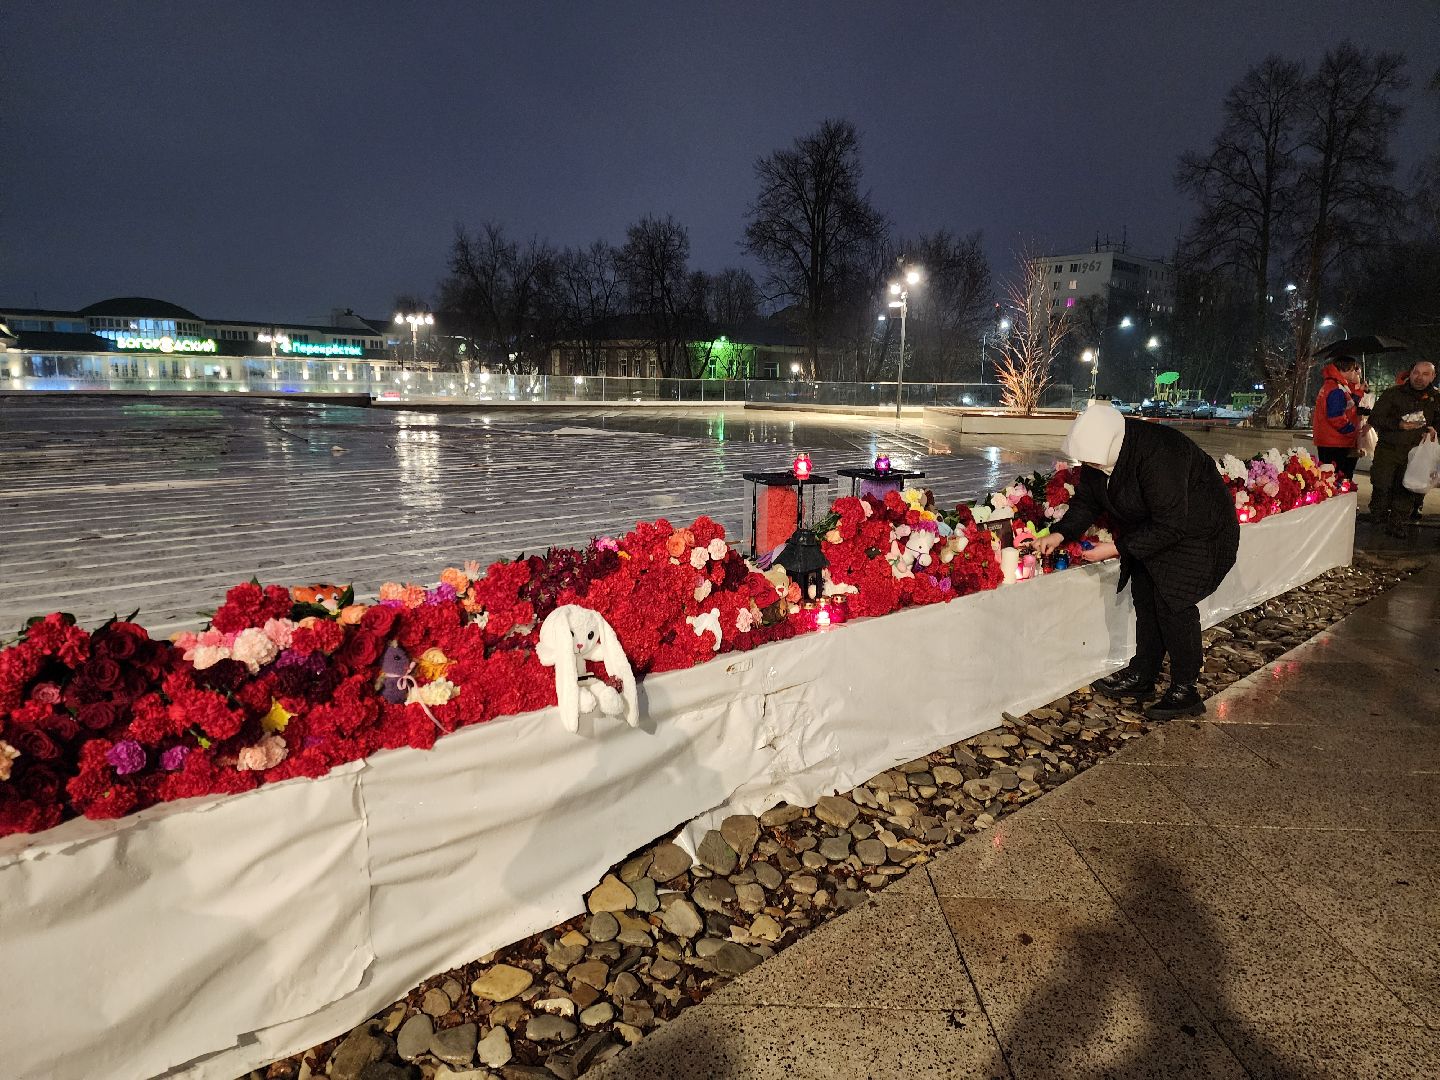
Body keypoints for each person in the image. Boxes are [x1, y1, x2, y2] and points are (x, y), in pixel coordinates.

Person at [1035, 403, 1240, 721]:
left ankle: (1186, 689)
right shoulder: (1100, 453)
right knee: (1145, 594)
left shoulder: (1160, 452)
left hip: (1199, 531)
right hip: (1152, 528)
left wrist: (1115, 548)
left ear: (1114, 444)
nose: (1089, 465)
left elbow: (1172, 523)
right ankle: (1143, 674)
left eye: (1092, 460)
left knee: (1173, 601)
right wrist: (1059, 534)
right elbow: (1088, 500)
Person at [1366, 360, 1438, 536]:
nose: (1419, 378)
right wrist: (1398, 424)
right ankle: (1378, 517)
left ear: (1433, 377)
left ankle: (1397, 523)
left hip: (1416, 453)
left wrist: (1434, 429)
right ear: (1410, 373)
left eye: (1425, 374)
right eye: (1416, 372)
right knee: (1382, 484)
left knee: (1406, 489)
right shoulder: (1393, 393)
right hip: (1389, 449)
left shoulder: (1436, 399)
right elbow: (1375, 418)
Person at [1311, 355, 1365, 482]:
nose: (1355, 373)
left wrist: (1359, 392)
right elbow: (1336, 417)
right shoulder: (1336, 388)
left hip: (1330, 439)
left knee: (1330, 477)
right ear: (1345, 370)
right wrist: (1351, 431)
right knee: (1335, 478)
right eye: (1353, 370)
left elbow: (1347, 405)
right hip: (1335, 441)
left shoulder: (1334, 384)